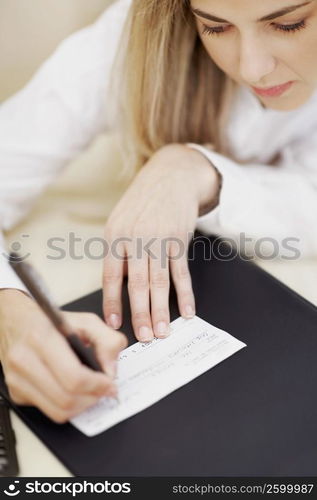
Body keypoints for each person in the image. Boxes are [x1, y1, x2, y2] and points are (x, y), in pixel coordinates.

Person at [1, 0, 317, 422]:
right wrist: (9, 313)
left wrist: (199, 171)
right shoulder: (121, 45)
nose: (252, 68)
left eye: (290, 24)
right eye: (215, 28)